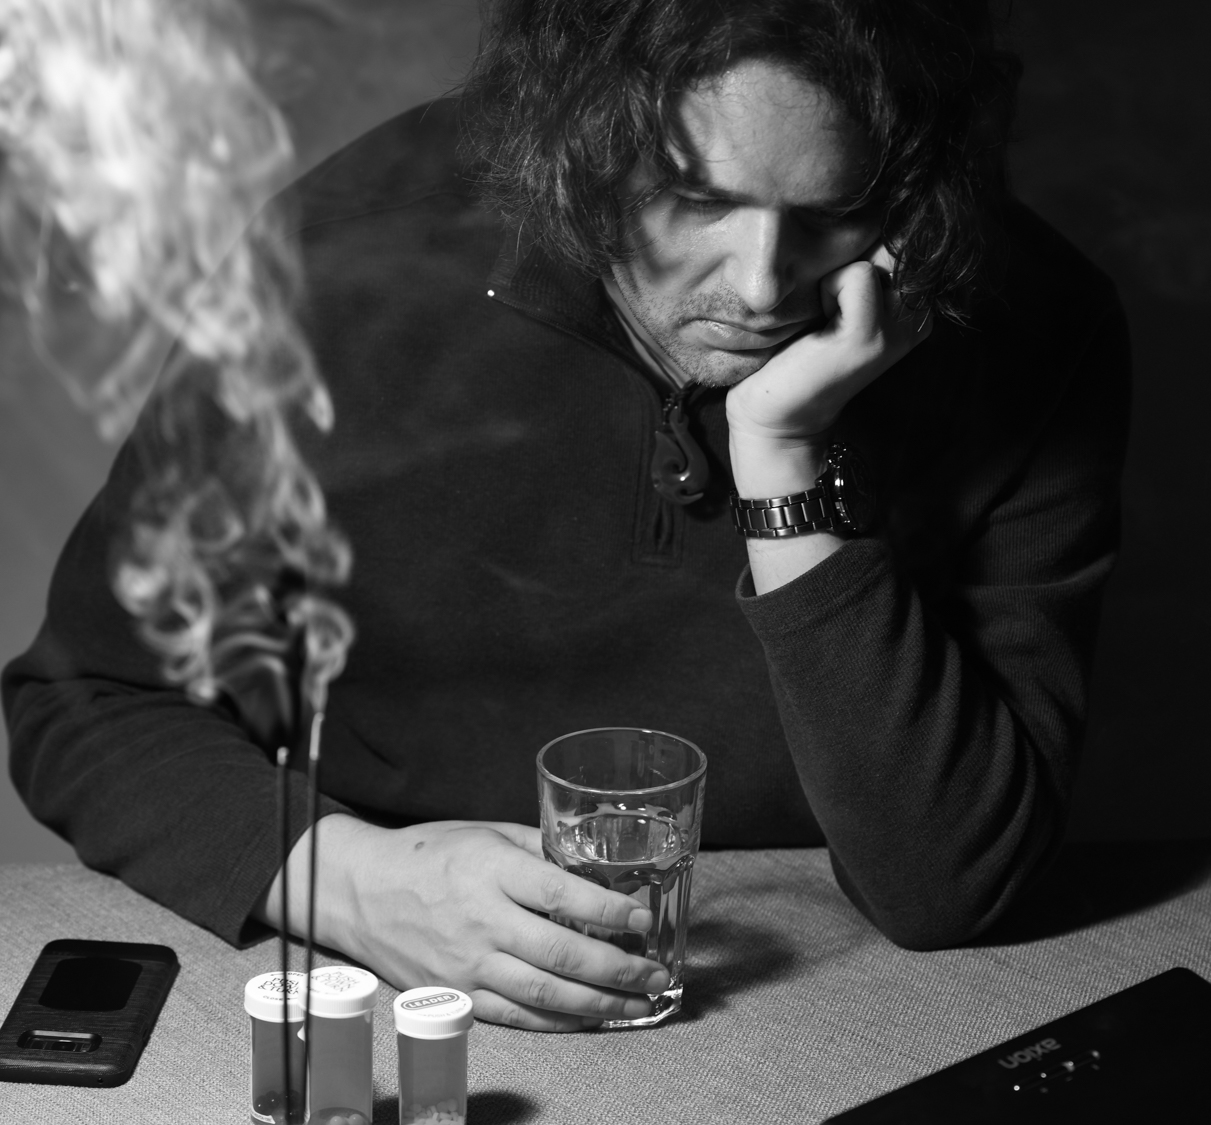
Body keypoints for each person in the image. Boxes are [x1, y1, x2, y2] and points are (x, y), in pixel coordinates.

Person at [3, 0, 1129, 1030]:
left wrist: (787, 461)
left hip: (828, 999)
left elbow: (951, 888)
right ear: (580, 144)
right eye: (697, 198)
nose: (762, 288)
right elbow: (84, 700)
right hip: (394, 984)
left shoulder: (1026, 318)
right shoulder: (346, 255)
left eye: (835, 212)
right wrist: (347, 885)